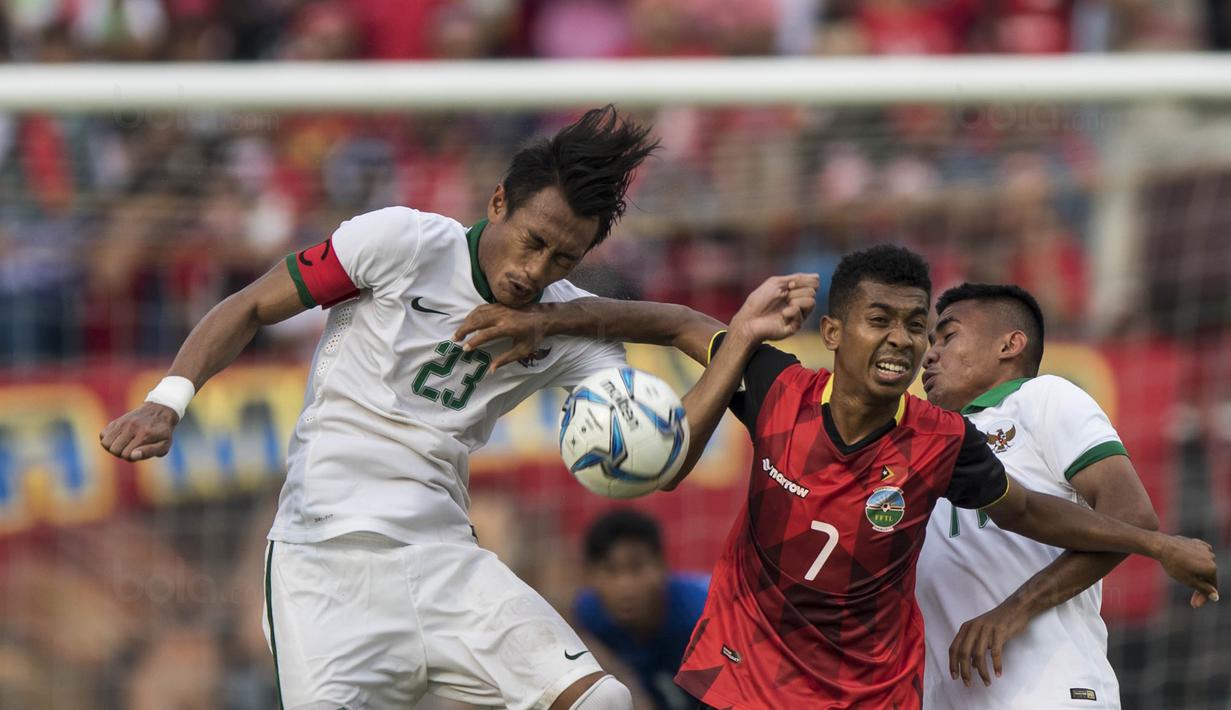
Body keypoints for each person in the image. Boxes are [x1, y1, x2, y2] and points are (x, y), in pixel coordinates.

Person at [97, 106, 818, 710]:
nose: (534, 271)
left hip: (446, 561)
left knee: (600, 700)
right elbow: (253, 303)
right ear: (498, 201)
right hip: (323, 563)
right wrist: (169, 398)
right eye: (532, 241)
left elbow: (661, 460)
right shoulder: (400, 243)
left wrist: (735, 342)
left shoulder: (570, 331)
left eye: (562, 260)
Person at [452, 244, 1219, 709]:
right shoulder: (775, 388)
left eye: (916, 324)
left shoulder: (941, 441)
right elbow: (674, 321)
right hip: (750, 678)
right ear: (833, 332)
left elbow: (1031, 513)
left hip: (870, 695)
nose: (902, 339)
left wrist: (1152, 546)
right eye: (880, 318)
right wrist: (547, 319)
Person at [915, 283, 1166, 708]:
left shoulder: (1042, 398)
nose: (931, 354)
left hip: (1054, 692)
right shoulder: (920, 443)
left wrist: (1014, 610)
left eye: (948, 336)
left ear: (1010, 345)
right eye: (930, 343)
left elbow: (1132, 515)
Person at [574, 509, 709, 710]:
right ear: (590, 576)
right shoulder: (590, 615)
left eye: (637, 567)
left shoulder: (703, 614)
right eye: (611, 570)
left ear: (662, 566)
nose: (625, 585)